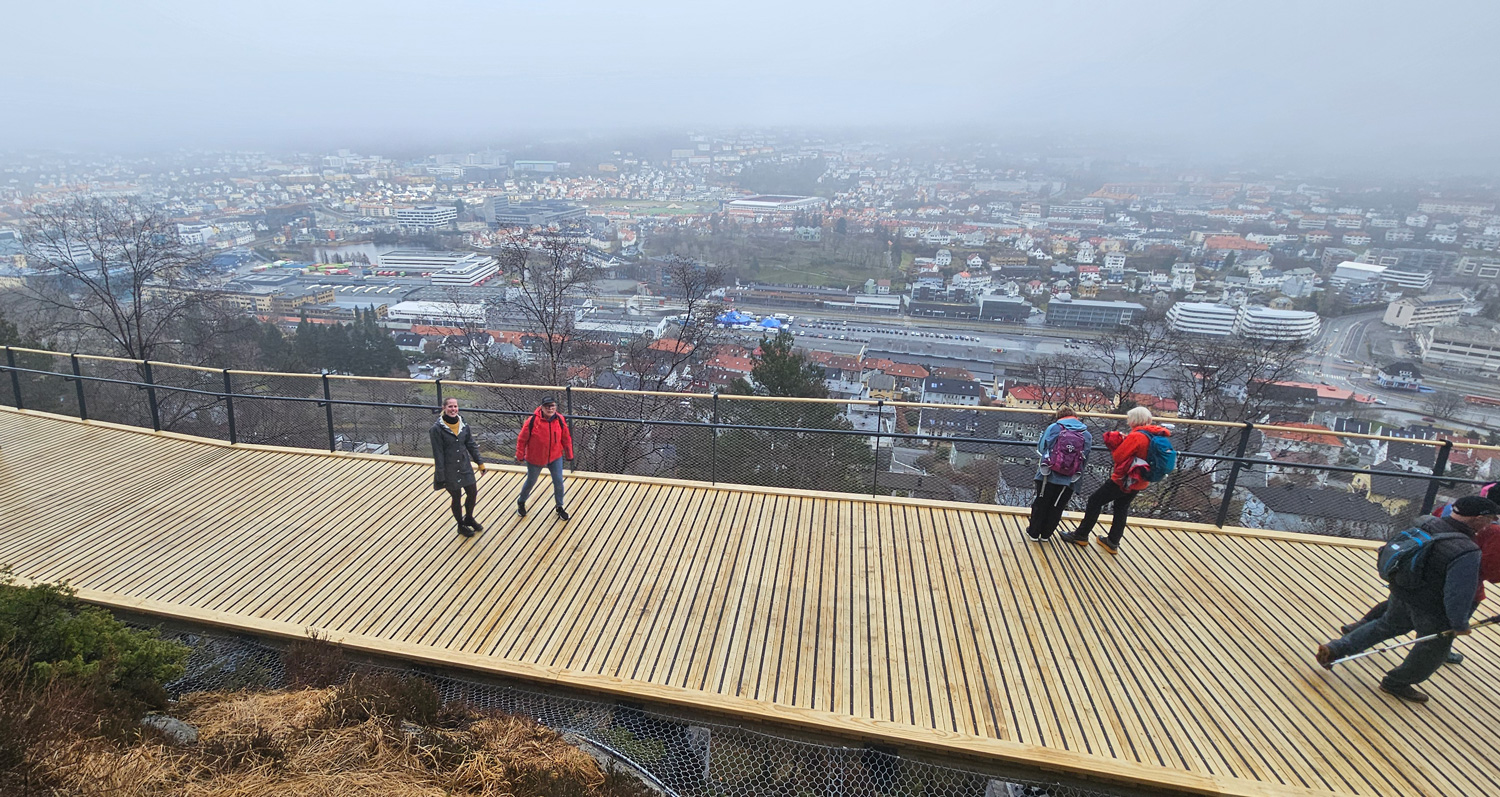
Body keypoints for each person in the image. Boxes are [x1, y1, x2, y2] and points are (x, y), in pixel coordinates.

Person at [1315, 494, 1499, 704]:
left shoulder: (1427, 522)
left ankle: (1337, 649)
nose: (1491, 523)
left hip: (1403, 590)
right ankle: (1397, 682)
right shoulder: (1468, 551)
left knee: (1385, 625)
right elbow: (1458, 593)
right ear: (1477, 518)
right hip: (1432, 606)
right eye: (1490, 518)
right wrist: (1459, 624)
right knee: (1432, 650)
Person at [1339, 488, 1500, 666]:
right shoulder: (1492, 531)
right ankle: (1414, 670)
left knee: (1396, 613)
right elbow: (1489, 571)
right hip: (1450, 584)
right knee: (1436, 635)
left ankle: (1356, 631)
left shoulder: (1452, 509)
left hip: (1414, 575)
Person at [1059, 406, 1171, 555]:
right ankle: (1112, 542)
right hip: (1140, 481)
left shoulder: (1137, 436)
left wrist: (1119, 442)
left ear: (1134, 420)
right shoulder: (1154, 435)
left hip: (1123, 479)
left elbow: (1119, 456)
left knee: (1094, 501)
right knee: (1121, 508)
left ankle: (1081, 535)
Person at [1026, 407, 1093, 541]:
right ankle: (1046, 535)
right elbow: (1085, 457)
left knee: (1041, 502)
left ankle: (1034, 533)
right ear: (1076, 417)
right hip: (1070, 479)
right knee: (1057, 505)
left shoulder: (1054, 428)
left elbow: (1041, 448)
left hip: (1047, 474)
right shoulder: (1086, 434)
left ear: (1059, 417)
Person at [431, 397, 486, 537]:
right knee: (456, 497)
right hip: (449, 470)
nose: (453, 409)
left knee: (472, 493)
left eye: (455, 406)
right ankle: (460, 525)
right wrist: (441, 475)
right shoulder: (436, 429)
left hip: (464, 466)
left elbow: (471, 445)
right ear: (444, 408)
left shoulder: (463, 425)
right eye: (450, 406)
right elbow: (438, 454)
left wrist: (480, 463)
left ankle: (469, 517)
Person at [516, 395, 575, 521]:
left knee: (559, 482)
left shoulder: (559, 419)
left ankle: (559, 507)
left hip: (555, 457)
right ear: (542, 408)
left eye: (552, 406)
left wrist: (569, 454)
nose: (550, 409)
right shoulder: (532, 421)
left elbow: (566, 437)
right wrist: (520, 455)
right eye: (547, 406)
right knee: (531, 481)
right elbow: (522, 439)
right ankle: (521, 502)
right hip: (535, 458)